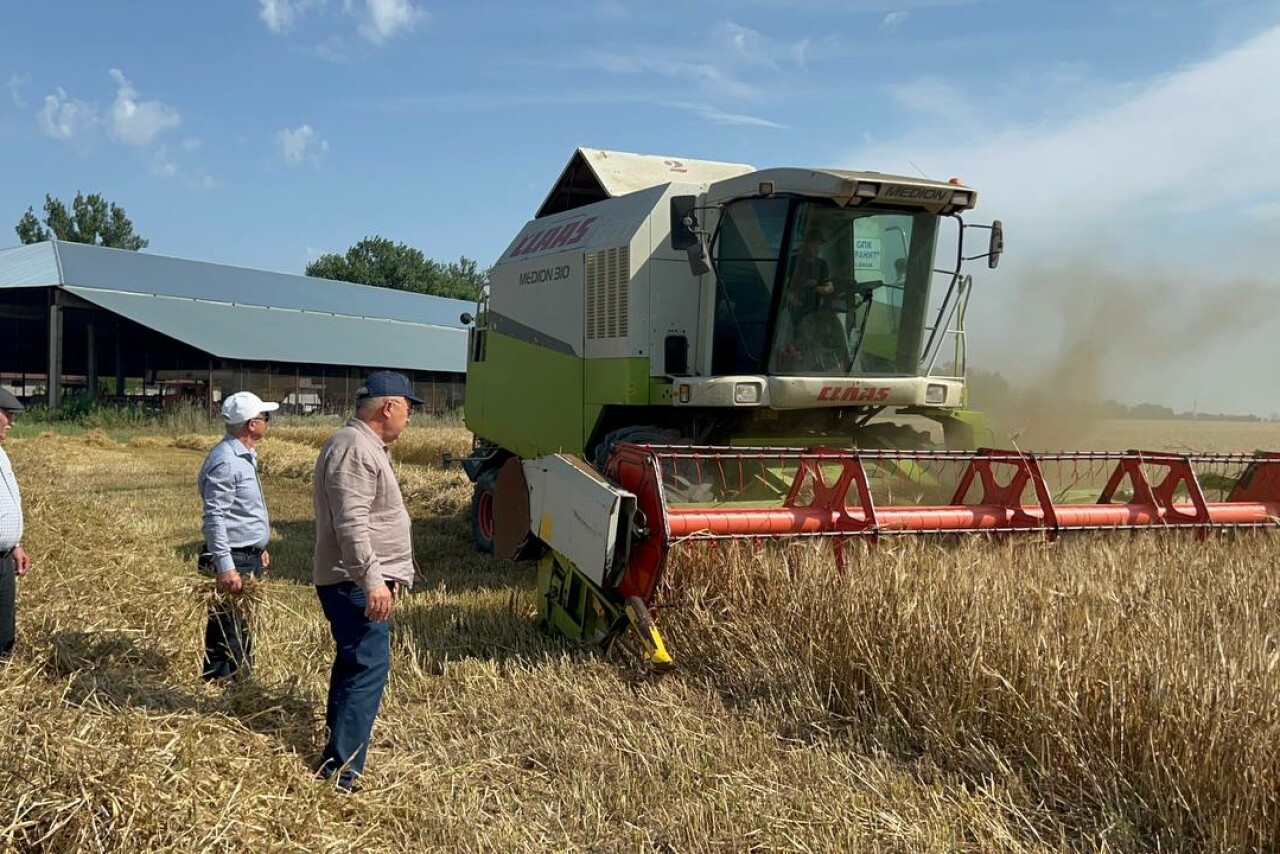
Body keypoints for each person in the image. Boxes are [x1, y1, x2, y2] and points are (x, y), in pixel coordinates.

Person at [313, 370, 422, 793]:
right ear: (389, 406)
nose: (409, 418)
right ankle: (342, 772)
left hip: (356, 579)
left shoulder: (361, 445)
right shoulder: (355, 448)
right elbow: (352, 524)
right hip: (354, 582)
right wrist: (373, 580)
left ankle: (338, 752)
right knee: (367, 668)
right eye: (408, 408)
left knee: (354, 664)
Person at [197, 391, 278, 681]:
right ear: (251, 424)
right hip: (233, 558)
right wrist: (226, 565)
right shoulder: (227, 461)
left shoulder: (243, 456)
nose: (268, 422)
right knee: (232, 630)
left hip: (245, 554)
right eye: (265, 417)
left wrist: (259, 547)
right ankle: (240, 690)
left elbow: (239, 513)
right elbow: (215, 518)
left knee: (228, 626)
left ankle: (216, 684)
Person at [0, 389, 31, 661]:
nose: (11, 422)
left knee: (4, 630)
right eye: (7, 414)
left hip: (5, 559)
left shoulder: (1, 455)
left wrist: (16, 544)